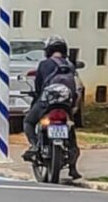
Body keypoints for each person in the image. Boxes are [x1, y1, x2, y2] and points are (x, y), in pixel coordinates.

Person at [22, 34, 81, 179]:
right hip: (66, 105)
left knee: (28, 122)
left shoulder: (44, 64)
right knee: (71, 129)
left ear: (47, 50)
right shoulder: (70, 65)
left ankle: (35, 145)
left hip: (47, 104)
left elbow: (38, 87)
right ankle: (73, 168)